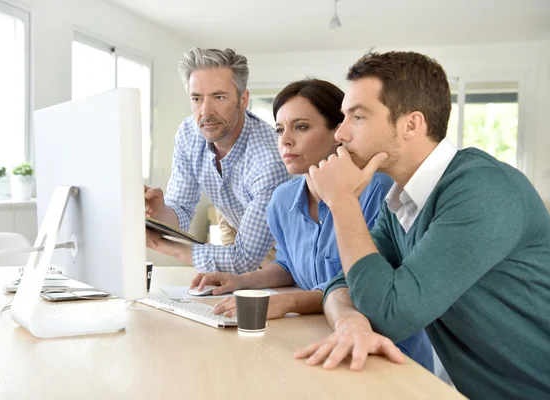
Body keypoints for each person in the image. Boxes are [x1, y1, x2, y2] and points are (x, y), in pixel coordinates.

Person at [294, 51, 550, 399]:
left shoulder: (482, 190)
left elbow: (391, 316)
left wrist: (342, 201)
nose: (340, 134)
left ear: (411, 124)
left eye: (358, 117)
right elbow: (344, 281)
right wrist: (349, 321)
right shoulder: (402, 199)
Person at [190, 78, 433, 371]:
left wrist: (289, 302)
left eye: (301, 127)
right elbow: (288, 265)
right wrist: (241, 281)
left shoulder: (380, 191)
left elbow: (366, 286)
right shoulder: (282, 199)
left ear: (338, 132)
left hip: (385, 352)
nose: (285, 139)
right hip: (318, 339)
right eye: (280, 129)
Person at [144, 48, 289, 274]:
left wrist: (164, 246)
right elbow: (180, 212)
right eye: (197, 98)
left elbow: (244, 258)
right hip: (237, 227)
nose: (206, 111)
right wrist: (160, 212)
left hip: (286, 250)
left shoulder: (269, 160)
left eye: (218, 97)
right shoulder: (189, 134)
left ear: (243, 99)